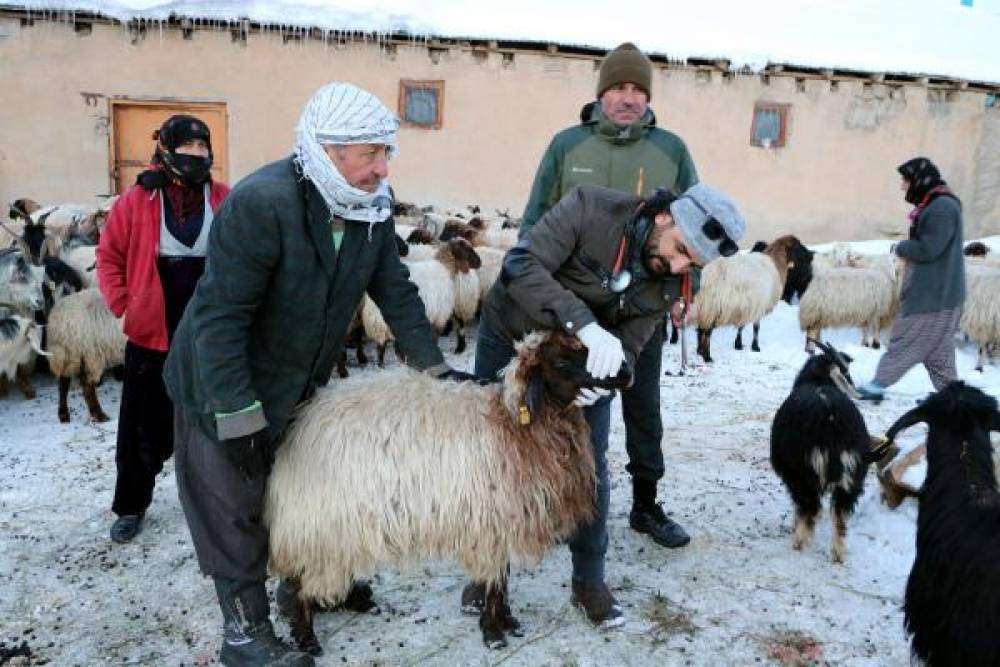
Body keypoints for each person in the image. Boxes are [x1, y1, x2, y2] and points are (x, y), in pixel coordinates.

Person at [162, 83, 473, 667]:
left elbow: (395, 291)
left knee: (302, 490)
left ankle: (306, 582)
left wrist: (434, 369)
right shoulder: (263, 203)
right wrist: (237, 416)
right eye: (370, 154)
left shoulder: (373, 208)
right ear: (327, 150)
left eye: (387, 153)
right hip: (220, 380)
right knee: (233, 502)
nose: (383, 168)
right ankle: (245, 635)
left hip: (298, 381)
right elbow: (221, 318)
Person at [463, 183, 745, 628]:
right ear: (664, 217)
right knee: (493, 458)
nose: (677, 266)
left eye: (692, 263)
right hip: (514, 335)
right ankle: (487, 573)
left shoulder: (673, 280)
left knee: (588, 465)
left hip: (579, 364)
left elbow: (632, 344)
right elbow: (521, 265)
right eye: (680, 251)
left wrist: (615, 379)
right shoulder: (589, 208)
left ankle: (588, 580)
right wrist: (585, 324)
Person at [520, 41, 700, 549]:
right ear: (601, 93)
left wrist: (689, 286)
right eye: (618, 87)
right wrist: (526, 280)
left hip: (642, 307)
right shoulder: (567, 145)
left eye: (638, 89)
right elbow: (535, 217)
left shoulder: (672, 150)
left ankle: (646, 503)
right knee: (564, 401)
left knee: (643, 403)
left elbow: (697, 230)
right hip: (570, 309)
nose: (628, 98)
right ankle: (558, 502)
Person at [96, 115, 230, 544]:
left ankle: (222, 500)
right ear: (166, 152)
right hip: (153, 326)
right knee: (141, 421)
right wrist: (124, 306)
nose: (195, 158)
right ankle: (132, 503)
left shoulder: (224, 198)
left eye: (202, 150)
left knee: (213, 418)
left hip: (208, 327)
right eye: (186, 150)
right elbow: (109, 256)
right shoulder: (136, 201)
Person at [857, 157, 966, 401]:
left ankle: (877, 385)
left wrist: (902, 246)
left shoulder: (941, 209)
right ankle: (955, 400)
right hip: (941, 294)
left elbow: (929, 249)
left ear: (920, 180)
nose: (902, 186)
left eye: (906, 180)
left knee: (906, 340)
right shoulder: (938, 205)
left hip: (933, 296)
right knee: (939, 354)